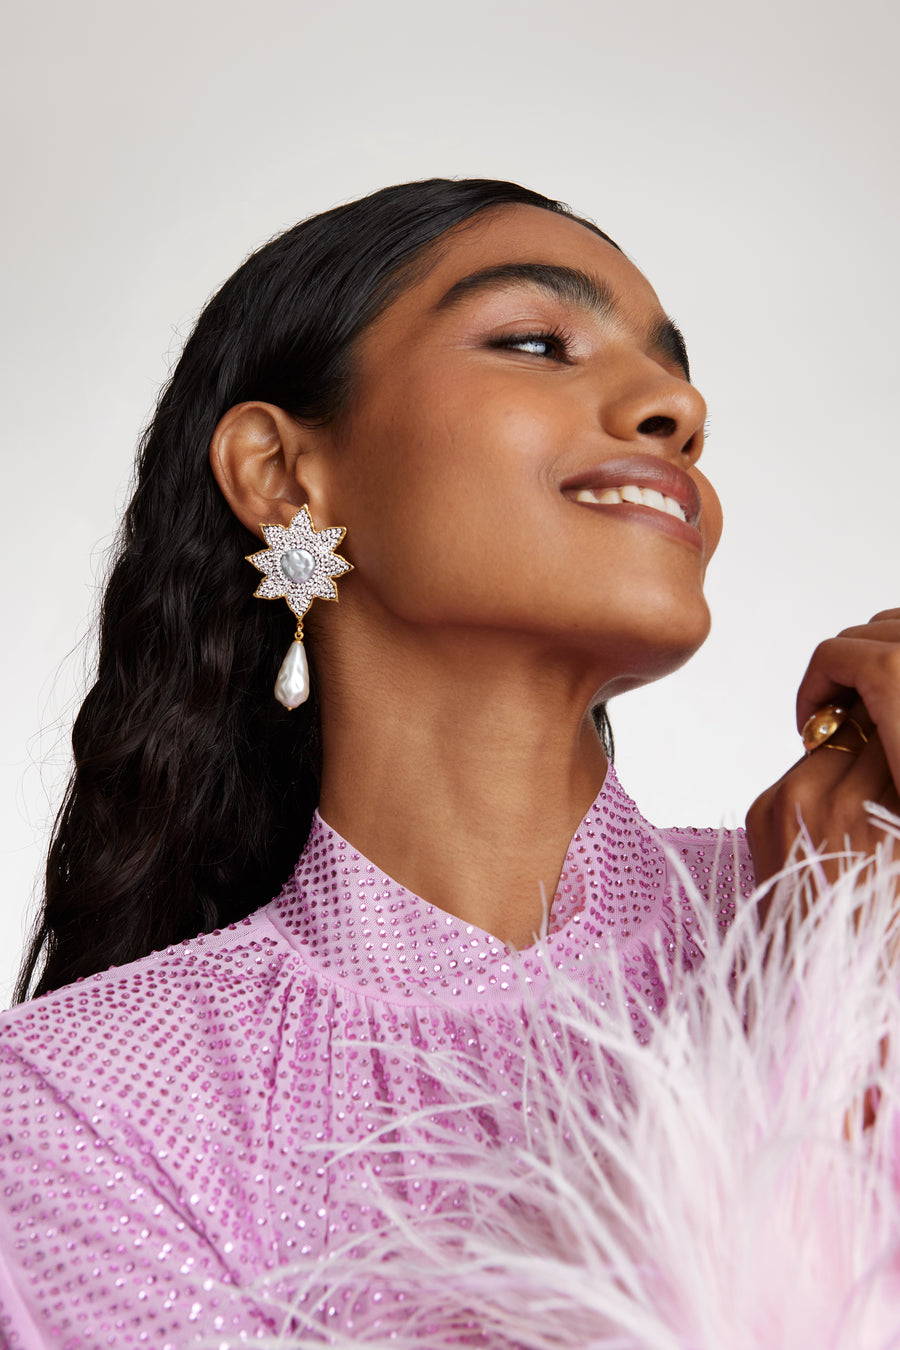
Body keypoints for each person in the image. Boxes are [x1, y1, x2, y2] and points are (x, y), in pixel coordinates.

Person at [1, 178, 898, 1348]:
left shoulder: (844, 895)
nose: (675, 405)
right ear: (283, 475)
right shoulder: (93, 1100)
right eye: (536, 342)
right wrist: (821, 1053)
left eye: (678, 377)